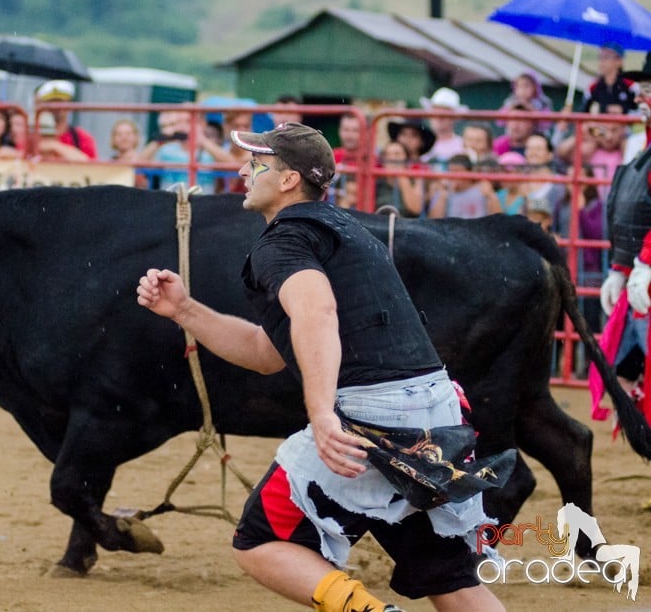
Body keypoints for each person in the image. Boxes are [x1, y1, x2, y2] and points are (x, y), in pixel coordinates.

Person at [136, 121, 505, 612]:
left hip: (373, 412)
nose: (244, 169)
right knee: (451, 580)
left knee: (260, 542)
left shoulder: (282, 241)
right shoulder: (345, 230)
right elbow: (268, 352)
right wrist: (184, 310)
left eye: (256, 162)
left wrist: (322, 414)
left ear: (288, 179)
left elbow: (317, 313)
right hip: (436, 408)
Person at [34, 79, 97, 160]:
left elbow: (91, 165)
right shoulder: (32, 135)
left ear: (69, 104)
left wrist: (55, 146)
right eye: (51, 102)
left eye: (60, 101)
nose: (56, 106)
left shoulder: (82, 138)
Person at [427, 153, 501, 219]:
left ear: (469, 172)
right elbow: (434, 222)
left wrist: (491, 195)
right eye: (451, 171)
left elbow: (497, 218)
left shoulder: (482, 189)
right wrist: (442, 197)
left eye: (458, 171)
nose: (454, 175)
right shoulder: (443, 191)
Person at [581, 42, 638, 115]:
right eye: (600, 57)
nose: (602, 61)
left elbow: (640, 112)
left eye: (606, 57)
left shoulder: (631, 86)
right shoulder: (592, 87)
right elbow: (584, 112)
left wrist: (623, 111)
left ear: (619, 61)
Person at [374, 140, 423, 217]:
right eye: (388, 155)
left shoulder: (415, 180)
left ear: (406, 159)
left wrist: (401, 175)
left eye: (397, 154)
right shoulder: (377, 183)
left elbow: (415, 209)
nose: (392, 158)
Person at [419, 87, 466, 167]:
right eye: (435, 111)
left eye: (445, 114)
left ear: (454, 117)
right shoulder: (419, 143)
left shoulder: (463, 146)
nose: (439, 117)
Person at [494, 151, 528, 216]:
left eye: (508, 172)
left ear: (520, 173)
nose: (503, 176)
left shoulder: (530, 196)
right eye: (502, 172)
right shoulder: (497, 195)